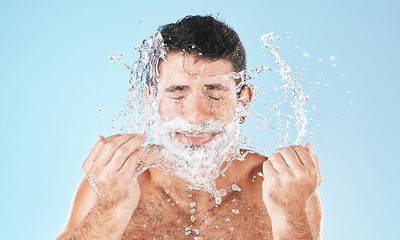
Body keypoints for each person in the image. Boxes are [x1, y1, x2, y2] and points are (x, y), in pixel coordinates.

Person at [55, 15, 322, 240]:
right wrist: (111, 208)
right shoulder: (113, 181)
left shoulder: (283, 187)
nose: (195, 116)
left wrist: (290, 216)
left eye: (214, 93)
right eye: (177, 92)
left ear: (243, 101)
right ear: (152, 100)